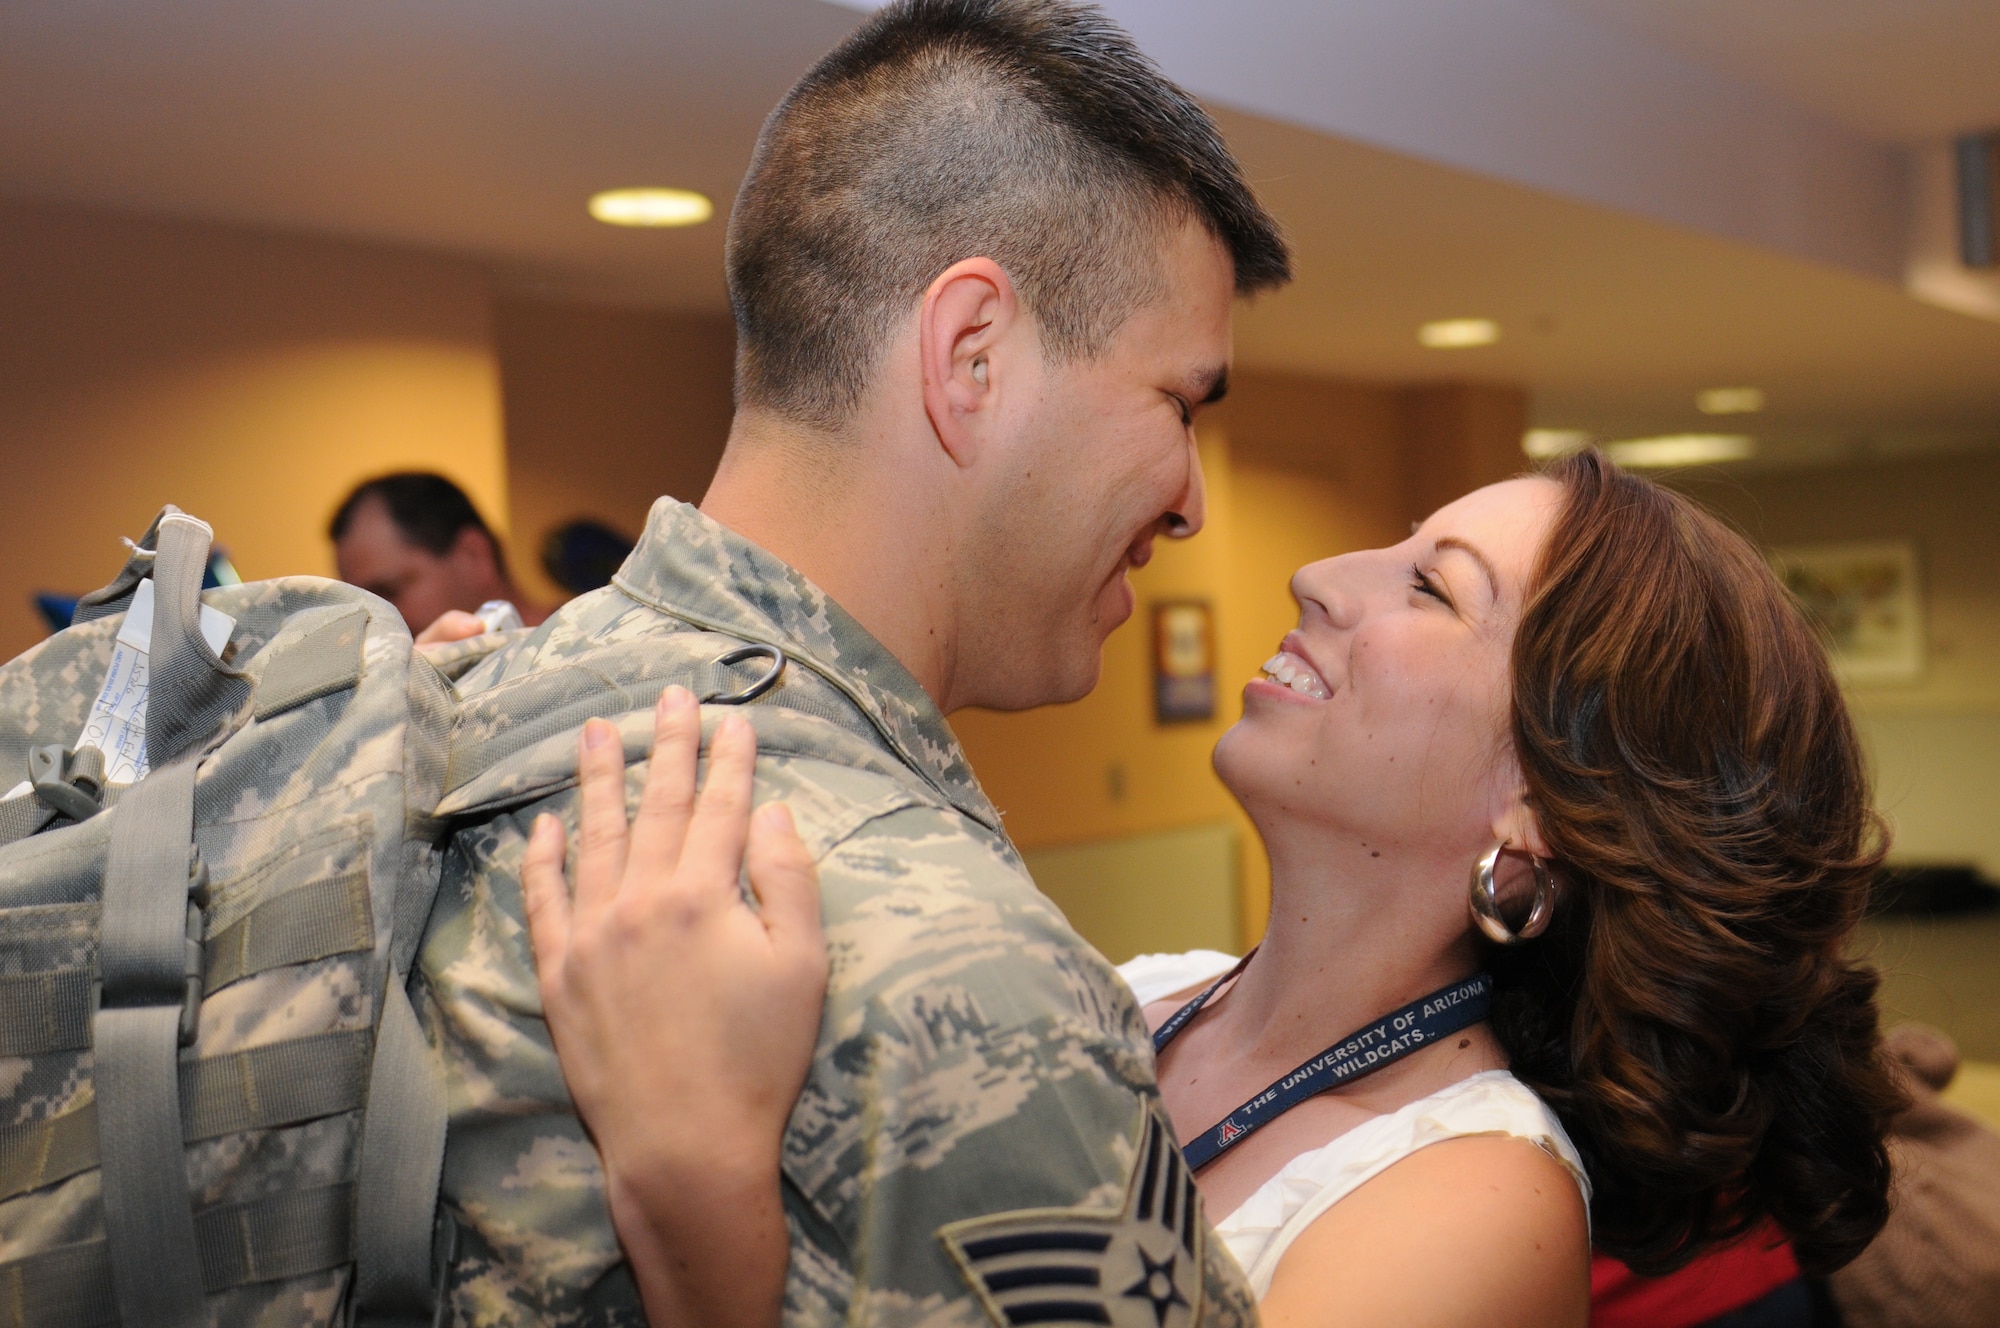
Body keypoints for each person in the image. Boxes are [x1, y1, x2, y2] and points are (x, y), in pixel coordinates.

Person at [523, 451, 1908, 1327]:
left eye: (1433, 587)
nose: (1317, 576)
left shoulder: (1475, 1207)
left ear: (1539, 807)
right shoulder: (1129, 999)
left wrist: (700, 1215)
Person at [415, 1, 1289, 1325]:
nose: (1190, 505)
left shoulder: (454, 709)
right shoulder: (970, 990)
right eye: (1179, 403)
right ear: (972, 357)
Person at [328, 470, 550, 631]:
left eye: (389, 592)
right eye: (361, 606)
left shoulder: (581, 644)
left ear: (473, 556)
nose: (372, 624)